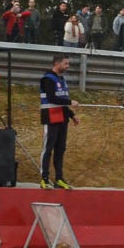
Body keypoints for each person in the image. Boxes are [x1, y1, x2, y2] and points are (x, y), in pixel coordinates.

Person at [38, 51, 79, 189]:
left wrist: (72, 115)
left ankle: (59, 178)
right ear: (57, 63)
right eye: (65, 63)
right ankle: (44, 178)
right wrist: (69, 101)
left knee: (60, 149)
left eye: (68, 63)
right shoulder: (48, 78)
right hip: (50, 117)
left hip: (62, 119)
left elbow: (62, 102)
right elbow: (52, 98)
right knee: (48, 148)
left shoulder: (62, 79)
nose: (68, 66)